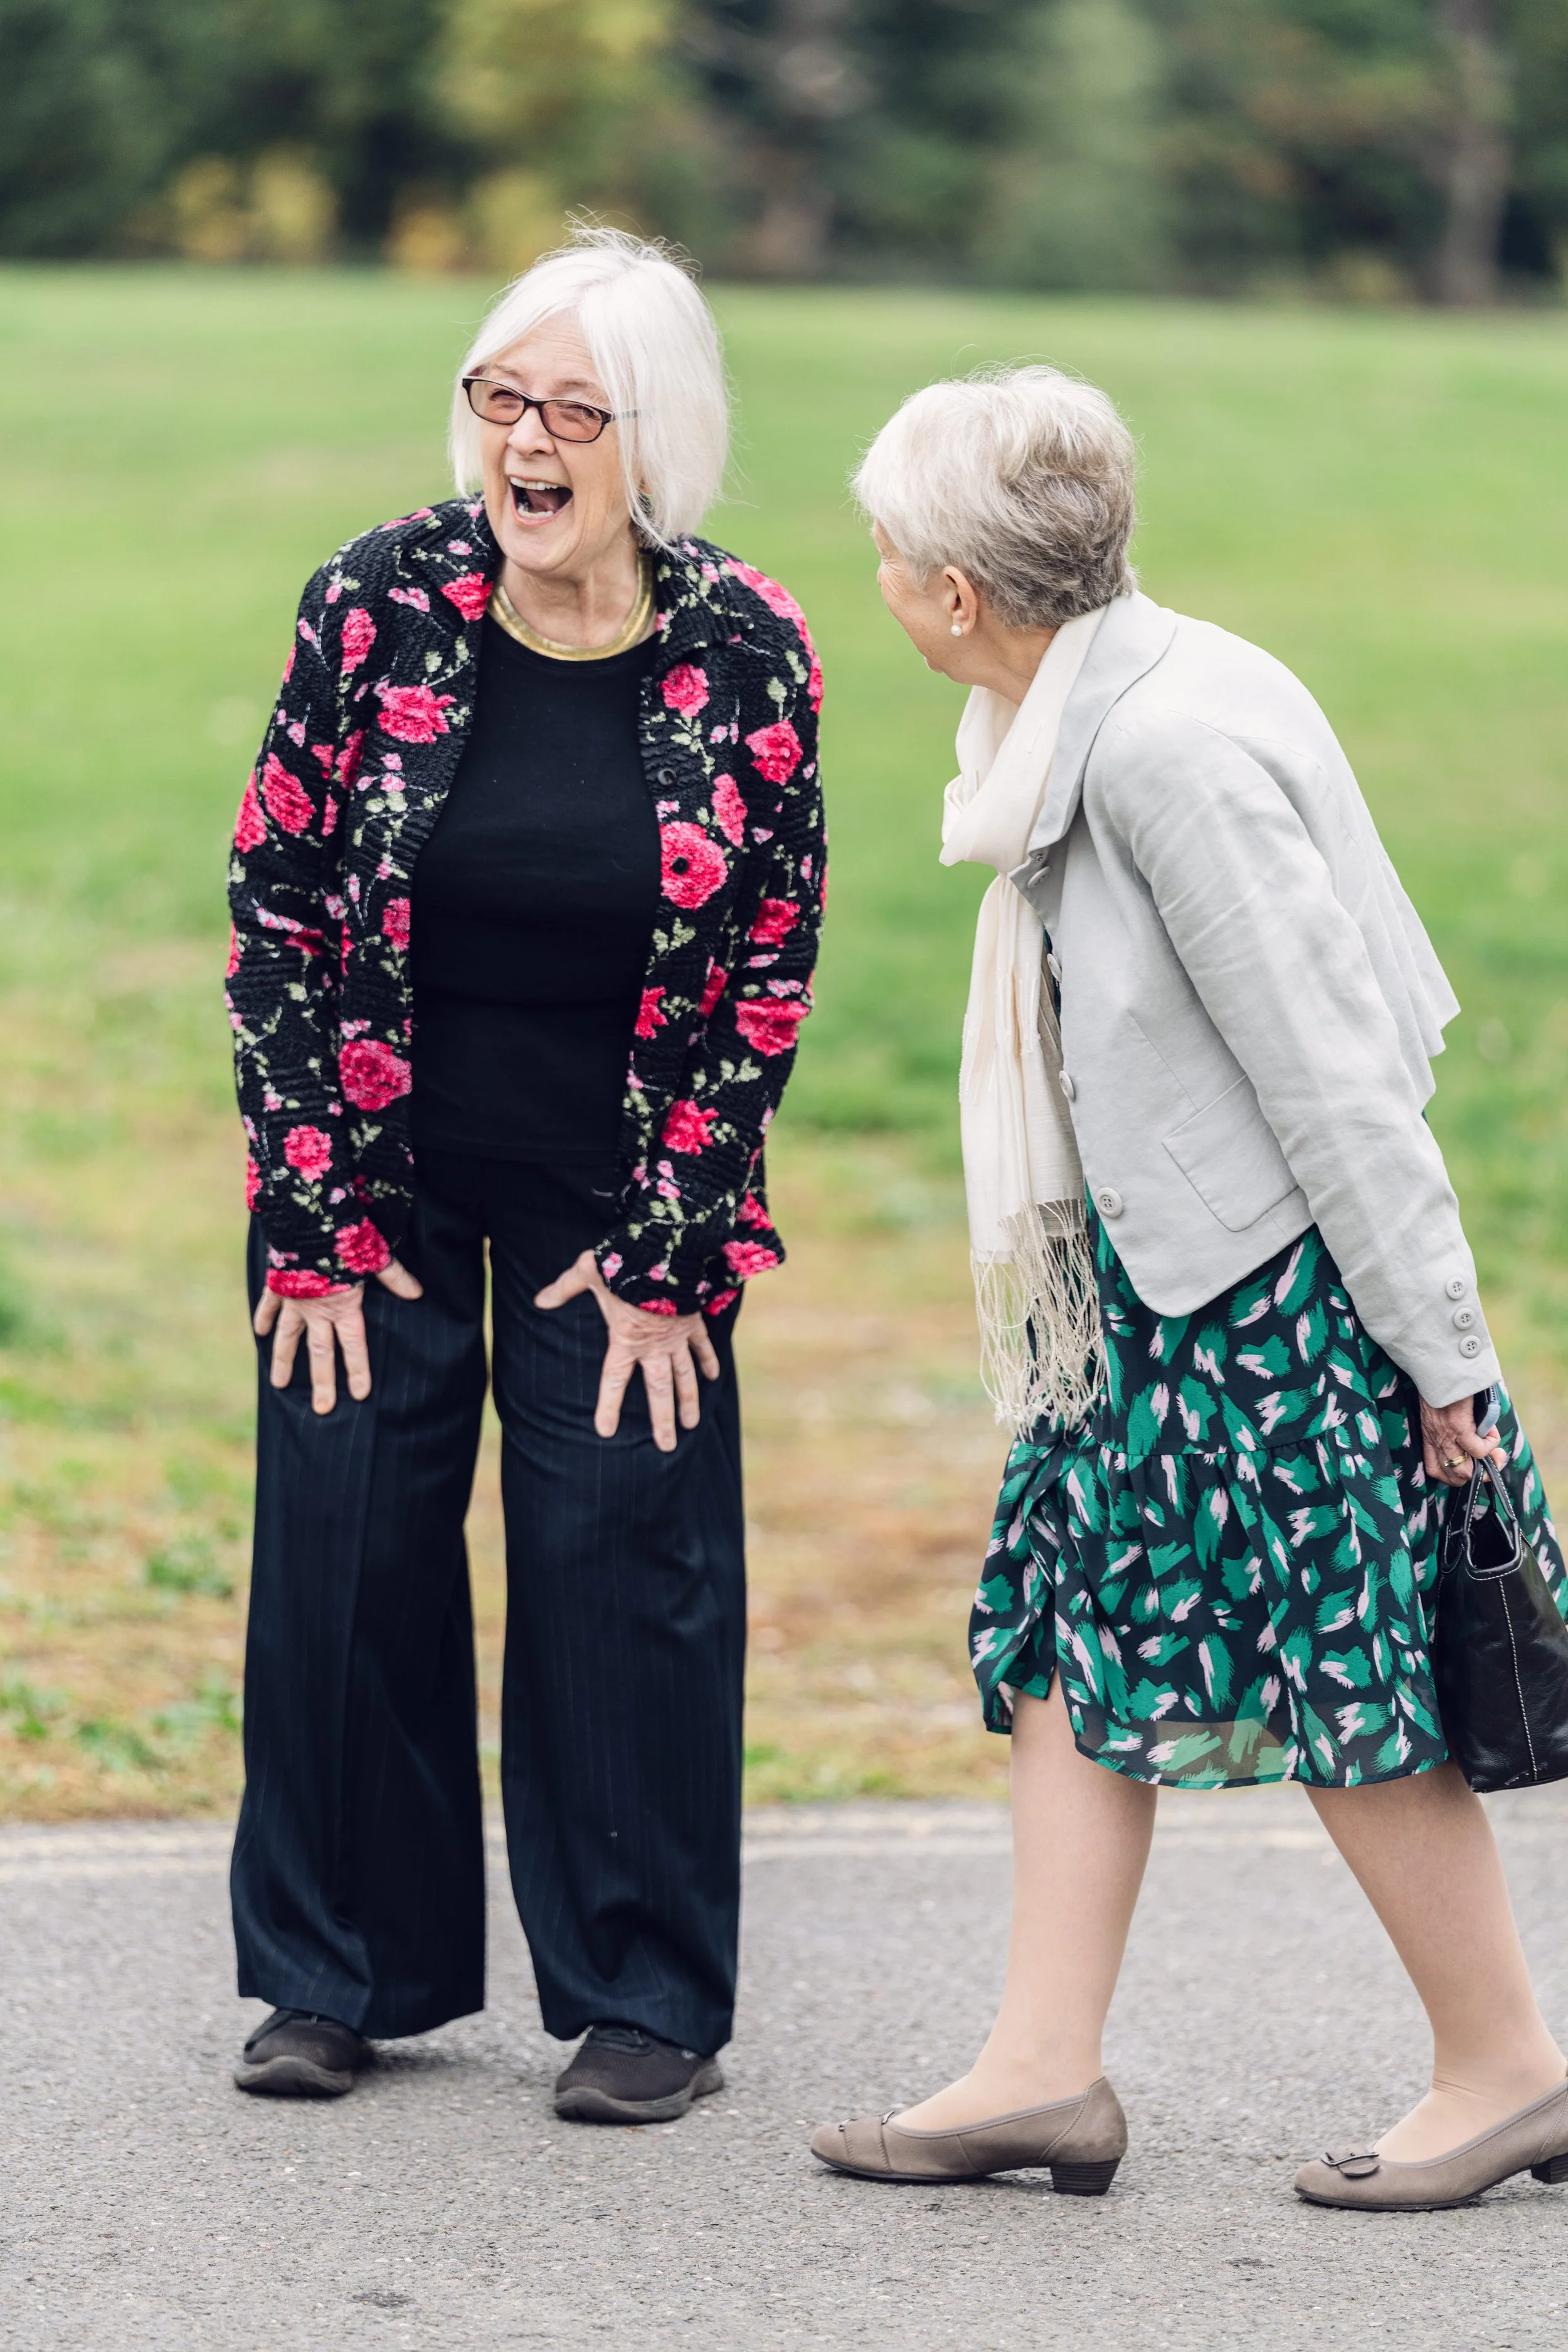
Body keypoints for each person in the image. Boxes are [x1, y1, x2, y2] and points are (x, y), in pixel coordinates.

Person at [809, 364, 1567, 2209]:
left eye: (891, 548)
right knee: (1070, 1628)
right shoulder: (1093, 704)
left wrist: (1441, 1361)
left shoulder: (1163, 746)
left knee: (1344, 1671)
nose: (881, 570)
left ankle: (1504, 2069)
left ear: (958, 595)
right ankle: (1038, 2067)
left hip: (1267, 1300)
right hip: (1137, 1292)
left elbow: (1334, 1074)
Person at [225, 228, 824, 2123]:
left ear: (661, 441)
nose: (530, 445)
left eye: (580, 409)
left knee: (623, 1550)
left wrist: (675, 1251)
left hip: (617, 1184)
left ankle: (645, 1991)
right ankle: (340, 1973)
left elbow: (764, 967)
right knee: (346, 1540)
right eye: (506, 399)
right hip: (376, 1160)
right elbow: (278, 899)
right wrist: (313, 1215)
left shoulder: (748, 651)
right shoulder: (376, 596)